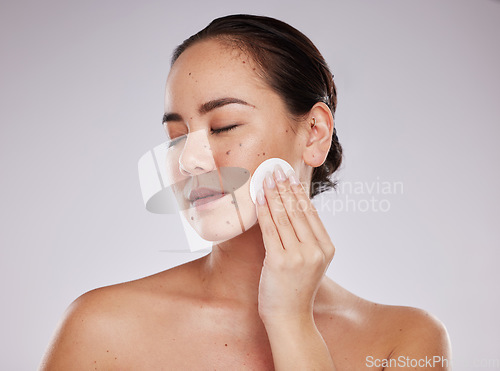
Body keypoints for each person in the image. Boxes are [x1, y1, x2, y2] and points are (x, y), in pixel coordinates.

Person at [40, 14, 451, 370]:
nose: (189, 161)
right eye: (176, 136)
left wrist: (290, 320)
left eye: (223, 126)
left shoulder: (404, 343)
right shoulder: (101, 328)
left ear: (314, 133)